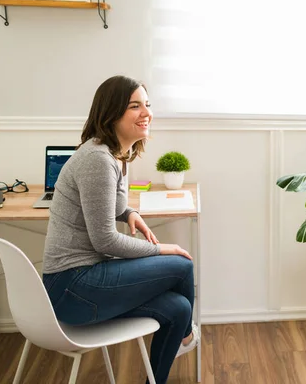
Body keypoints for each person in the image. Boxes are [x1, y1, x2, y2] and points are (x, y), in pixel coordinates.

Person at [42, 75, 198, 384]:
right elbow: (104, 241)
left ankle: (173, 350)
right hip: (72, 286)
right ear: (112, 112)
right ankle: (186, 337)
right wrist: (161, 248)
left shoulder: (114, 154)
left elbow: (109, 207)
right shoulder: (97, 159)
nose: (146, 113)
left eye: (148, 105)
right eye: (134, 106)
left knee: (179, 308)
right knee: (181, 265)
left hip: (83, 280)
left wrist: (129, 212)